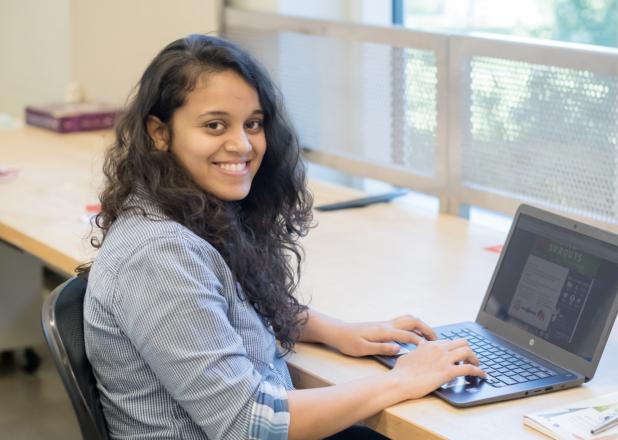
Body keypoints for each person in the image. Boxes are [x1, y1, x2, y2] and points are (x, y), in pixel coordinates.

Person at [81, 34, 485, 440]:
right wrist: (402, 380)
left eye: (253, 124)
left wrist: (335, 330)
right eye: (214, 125)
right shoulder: (159, 255)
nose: (242, 144)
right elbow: (253, 424)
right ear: (159, 133)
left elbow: (224, 308)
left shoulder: (185, 212)